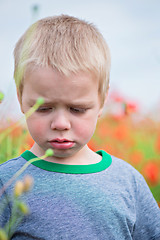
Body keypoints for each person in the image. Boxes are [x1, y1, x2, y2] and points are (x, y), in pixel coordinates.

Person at [0, 15, 160, 240]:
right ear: (20, 97)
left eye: (77, 109)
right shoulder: (7, 183)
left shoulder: (127, 182)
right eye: (44, 108)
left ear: (102, 101)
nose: (61, 124)